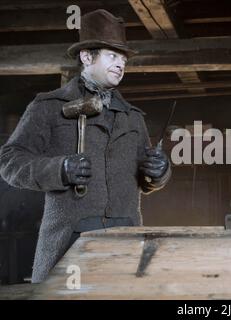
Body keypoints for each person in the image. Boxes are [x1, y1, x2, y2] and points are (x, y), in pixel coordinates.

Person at [0, 9, 171, 283]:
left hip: (124, 245)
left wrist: (159, 171)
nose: (121, 64)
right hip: (69, 246)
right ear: (86, 56)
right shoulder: (49, 107)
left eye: (123, 58)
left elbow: (147, 180)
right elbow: (9, 161)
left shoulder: (133, 117)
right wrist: (60, 169)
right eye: (112, 56)